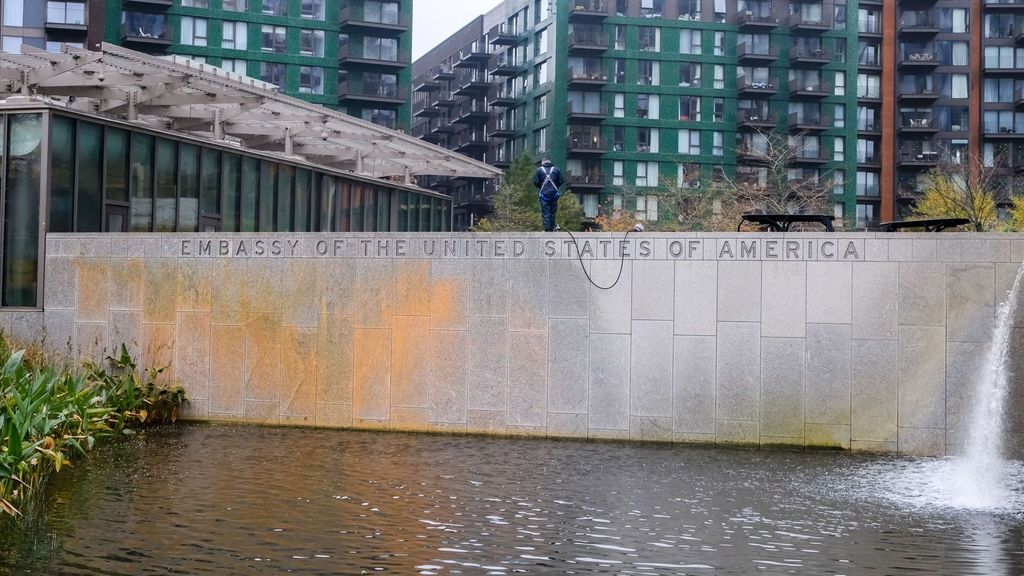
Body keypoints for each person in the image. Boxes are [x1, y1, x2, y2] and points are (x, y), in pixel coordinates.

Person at [532, 158, 563, 232]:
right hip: (554, 194)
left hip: (544, 194)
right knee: (553, 212)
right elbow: (561, 181)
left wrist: (541, 187)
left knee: (546, 211)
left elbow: (535, 181)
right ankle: (551, 228)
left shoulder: (539, 170)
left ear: (543, 163)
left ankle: (547, 229)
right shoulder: (556, 170)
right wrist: (555, 185)